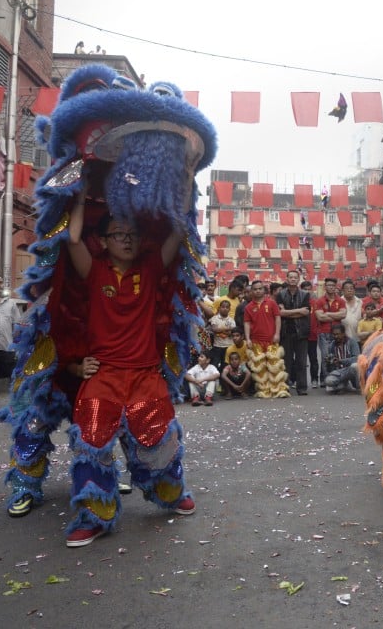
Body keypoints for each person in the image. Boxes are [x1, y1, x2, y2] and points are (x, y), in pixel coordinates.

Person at [62, 189, 197, 547]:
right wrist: (79, 194)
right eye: (118, 234)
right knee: (90, 444)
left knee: (161, 441)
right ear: (103, 241)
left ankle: (171, 493)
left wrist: (185, 178)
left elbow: (177, 229)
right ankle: (93, 515)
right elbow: (73, 237)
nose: (126, 240)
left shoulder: (150, 268)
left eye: (132, 234)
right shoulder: (93, 269)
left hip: (145, 375)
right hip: (103, 375)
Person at [245, 280, 285, 398]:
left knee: (274, 366)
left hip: (271, 339)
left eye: (260, 288)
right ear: (252, 291)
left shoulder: (272, 303)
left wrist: (277, 334)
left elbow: (278, 318)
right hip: (256, 341)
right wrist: (248, 339)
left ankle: (278, 390)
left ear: (264, 290)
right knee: (260, 368)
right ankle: (264, 391)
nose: (257, 291)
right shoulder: (248, 307)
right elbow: (246, 323)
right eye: (255, 289)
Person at [276, 272, 310, 395]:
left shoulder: (305, 294)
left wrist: (288, 313)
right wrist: (298, 312)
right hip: (285, 332)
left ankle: (302, 388)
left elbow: (306, 312)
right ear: (287, 279)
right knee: (286, 362)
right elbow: (280, 313)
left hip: (301, 332)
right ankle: (285, 387)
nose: (293, 279)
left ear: (299, 280)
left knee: (301, 361)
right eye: (291, 277)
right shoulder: (280, 294)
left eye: (295, 278)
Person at [314, 277, 346, 389]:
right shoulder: (319, 301)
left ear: (335, 287)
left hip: (337, 333)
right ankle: (325, 379)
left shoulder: (341, 301)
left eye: (333, 285)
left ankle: (337, 379)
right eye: (328, 285)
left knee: (338, 356)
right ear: (325, 287)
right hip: (324, 332)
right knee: (325, 357)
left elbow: (343, 315)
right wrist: (335, 315)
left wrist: (327, 314)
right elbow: (320, 317)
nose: (331, 287)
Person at [323, 322, 361, 394]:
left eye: (338, 334)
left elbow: (357, 358)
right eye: (334, 334)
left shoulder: (352, 342)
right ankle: (344, 385)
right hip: (340, 372)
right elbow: (330, 369)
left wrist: (341, 361)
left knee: (355, 366)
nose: (336, 336)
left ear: (343, 334)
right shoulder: (331, 345)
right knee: (328, 381)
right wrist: (328, 362)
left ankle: (357, 386)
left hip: (350, 370)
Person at [300, 280, 320, 389]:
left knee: (313, 359)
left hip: (312, 335)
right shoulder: (298, 302)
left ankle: (314, 379)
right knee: (300, 360)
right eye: (305, 289)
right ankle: (297, 380)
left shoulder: (315, 303)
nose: (307, 292)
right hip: (301, 335)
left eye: (309, 289)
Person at [207, 299, 235, 372]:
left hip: (228, 346)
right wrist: (227, 329)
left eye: (227, 307)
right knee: (215, 364)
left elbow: (232, 332)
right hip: (217, 346)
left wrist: (220, 329)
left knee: (225, 364)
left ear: (229, 309)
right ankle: (215, 379)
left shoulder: (231, 320)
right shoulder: (214, 318)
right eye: (223, 307)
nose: (225, 309)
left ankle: (223, 380)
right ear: (219, 308)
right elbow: (214, 329)